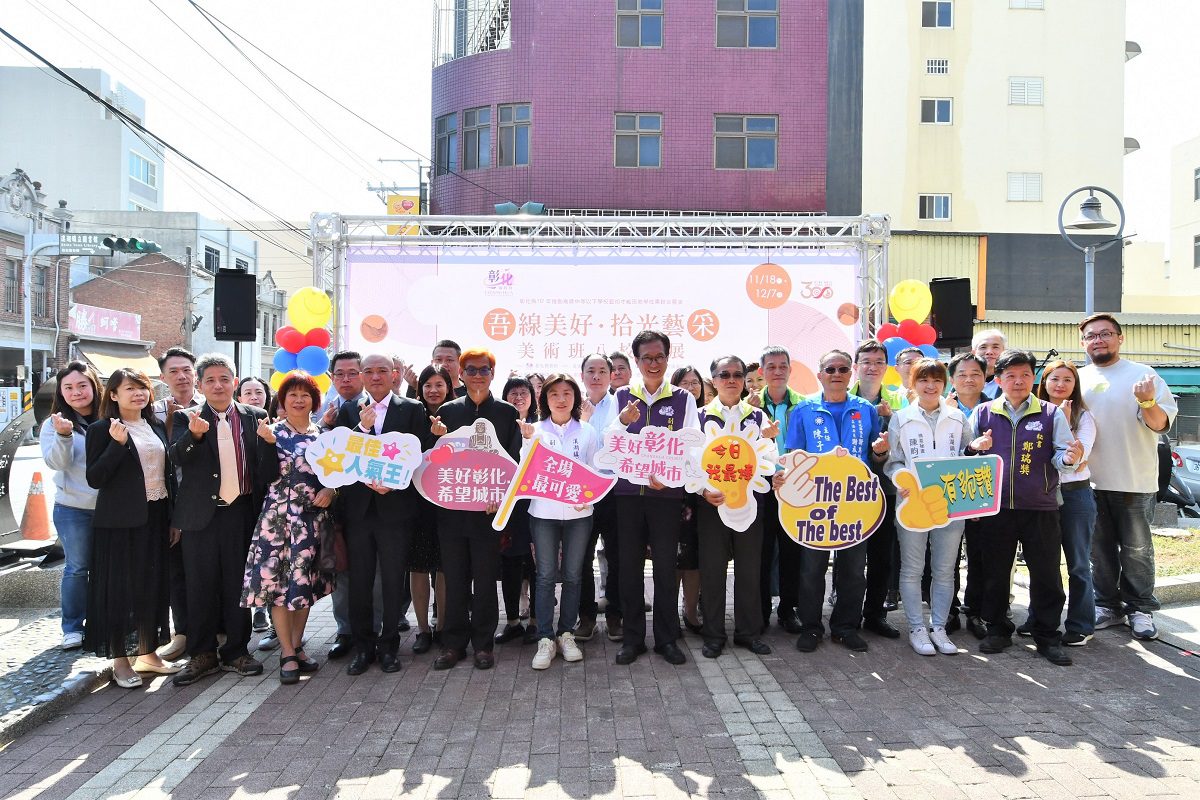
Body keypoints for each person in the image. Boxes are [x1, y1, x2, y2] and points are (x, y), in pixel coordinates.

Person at [967, 350, 1085, 666]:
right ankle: (998, 629)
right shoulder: (982, 413)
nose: (1018, 381)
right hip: (996, 508)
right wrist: (973, 448)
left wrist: (1070, 458)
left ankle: (1047, 635)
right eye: (1010, 375)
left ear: (1033, 378)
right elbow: (965, 459)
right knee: (994, 572)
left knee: (1046, 573)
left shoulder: (1050, 414)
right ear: (999, 379)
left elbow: (1062, 458)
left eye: (1024, 375)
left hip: (1041, 507)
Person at [169, 353, 268, 686]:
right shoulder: (186, 417)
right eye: (210, 380)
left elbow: (265, 466)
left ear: (235, 383)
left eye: (224, 378)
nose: (218, 385)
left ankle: (237, 651)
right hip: (201, 516)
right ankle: (202, 653)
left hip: (242, 511)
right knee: (200, 586)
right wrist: (193, 437)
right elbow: (176, 458)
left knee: (237, 584)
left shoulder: (256, 416)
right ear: (200, 385)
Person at [1078, 313, 1177, 640]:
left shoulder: (1143, 375)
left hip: (1134, 481)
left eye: (1106, 334)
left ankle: (1141, 609)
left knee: (1137, 550)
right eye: (1091, 336)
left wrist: (1147, 401)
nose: (1098, 340)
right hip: (1089, 482)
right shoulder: (1078, 378)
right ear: (1083, 343)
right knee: (1099, 550)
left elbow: (1160, 423)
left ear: (1120, 338)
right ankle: (1106, 605)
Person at [781, 350, 886, 653]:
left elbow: (877, 454)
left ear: (851, 373)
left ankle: (844, 627)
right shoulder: (804, 409)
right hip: (815, 504)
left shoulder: (865, 409)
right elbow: (793, 457)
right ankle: (811, 627)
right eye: (830, 369)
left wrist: (881, 450)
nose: (836, 374)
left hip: (855, 503)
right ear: (820, 374)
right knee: (811, 568)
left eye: (842, 369)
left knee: (854, 569)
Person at [334, 354, 430, 675]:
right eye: (369, 371)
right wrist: (361, 426)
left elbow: (419, 459)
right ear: (361, 376)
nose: (375, 377)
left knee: (392, 581)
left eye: (382, 371)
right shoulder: (348, 410)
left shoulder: (412, 409)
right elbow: (343, 456)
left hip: (395, 510)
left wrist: (394, 484)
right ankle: (363, 647)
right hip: (359, 511)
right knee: (360, 582)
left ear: (394, 375)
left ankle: (389, 646)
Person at [608, 330, 699, 666]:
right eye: (646, 357)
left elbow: (692, 444)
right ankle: (633, 639)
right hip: (628, 495)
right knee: (629, 568)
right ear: (636, 361)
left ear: (667, 357)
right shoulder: (620, 397)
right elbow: (607, 443)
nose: (653, 363)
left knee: (665, 568)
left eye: (659, 356)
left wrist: (673, 476)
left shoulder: (682, 398)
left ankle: (666, 638)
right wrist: (622, 422)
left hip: (667, 495)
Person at [430, 348, 521, 670]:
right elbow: (436, 464)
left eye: (484, 370)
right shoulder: (448, 412)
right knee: (454, 580)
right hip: (452, 512)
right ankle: (453, 644)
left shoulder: (508, 413)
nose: (478, 375)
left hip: (489, 513)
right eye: (471, 370)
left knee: (484, 581)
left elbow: (513, 463)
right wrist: (437, 441)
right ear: (461, 374)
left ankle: (484, 644)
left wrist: (502, 498)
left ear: (493, 374)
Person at [84, 368, 175, 687]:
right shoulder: (101, 429)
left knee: (151, 585)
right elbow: (95, 478)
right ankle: (121, 661)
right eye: (130, 389)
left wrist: (172, 518)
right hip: (119, 524)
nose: (138, 394)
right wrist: (116, 445)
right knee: (120, 590)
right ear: (113, 394)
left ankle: (148, 653)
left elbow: (166, 474)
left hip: (156, 514)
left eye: (143, 388)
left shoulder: (156, 425)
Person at [243, 371, 334, 684]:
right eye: (292, 394)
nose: (298, 400)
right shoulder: (271, 432)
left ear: (314, 400)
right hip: (278, 522)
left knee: (304, 585)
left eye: (305, 395)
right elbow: (265, 476)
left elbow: (335, 476)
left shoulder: (323, 434)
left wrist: (332, 491)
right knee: (280, 588)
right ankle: (286, 652)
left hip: (312, 520)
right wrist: (267, 444)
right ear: (282, 400)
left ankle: (297, 644)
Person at [884, 358, 971, 656]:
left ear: (945, 383)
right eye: (923, 380)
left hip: (949, 506)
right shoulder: (901, 418)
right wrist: (899, 478)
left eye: (936, 379)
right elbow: (893, 460)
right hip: (911, 506)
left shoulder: (958, 418)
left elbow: (966, 457)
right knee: (911, 569)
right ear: (913, 383)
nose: (930, 385)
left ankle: (939, 628)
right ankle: (917, 629)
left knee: (945, 570)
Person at [696, 355, 776, 658]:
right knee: (712, 570)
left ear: (745, 380)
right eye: (724, 374)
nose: (731, 380)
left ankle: (747, 632)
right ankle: (713, 634)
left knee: (749, 569)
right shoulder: (699, 416)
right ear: (713, 380)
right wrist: (703, 489)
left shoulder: (758, 417)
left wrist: (776, 473)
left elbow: (769, 459)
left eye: (737, 374)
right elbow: (689, 462)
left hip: (750, 503)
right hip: (712, 504)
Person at [521, 374, 602, 669]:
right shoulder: (535, 430)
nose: (561, 399)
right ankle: (545, 637)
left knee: (573, 575)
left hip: (580, 514)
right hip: (543, 513)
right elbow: (525, 472)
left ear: (575, 398)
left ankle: (565, 633)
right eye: (554, 393)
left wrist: (588, 495)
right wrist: (527, 442)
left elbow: (595, 470)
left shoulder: (588, 432)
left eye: (567, 393)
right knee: (544, 576)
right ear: (545, 399)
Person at [312, 350, 383, 660]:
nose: (346, 379)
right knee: (341, 569)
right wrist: (325, 429)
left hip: (375, 505)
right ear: (331, 377)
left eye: (352, 373)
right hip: (339, 508)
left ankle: (375, 628)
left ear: (363, 375)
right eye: (339, 374)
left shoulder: (377, 408)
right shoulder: (326, 414)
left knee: (376, 573)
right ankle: (345, 630)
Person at [1036, 359, 1098, 646]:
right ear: (1044, 383)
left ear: (1075, 386)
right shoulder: (1034, 412)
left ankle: (1081, 624)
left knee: (1078, 563)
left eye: (1067, 380)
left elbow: (1076, 457)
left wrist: (1063, 421)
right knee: (1043, 563)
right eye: (1054, 379)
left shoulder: (1083, 416)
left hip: (1075, 495)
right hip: (1043, 495)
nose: (1060, 385)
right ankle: (1038, 617)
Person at [41, 361, 102, 650]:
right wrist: (64, 435)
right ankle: (73, 627)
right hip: (73, 509)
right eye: (69, 387)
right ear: (61, 392)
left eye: (82, 385)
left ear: (94, 387)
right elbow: (56, 463)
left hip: (112, 508)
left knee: (110, 568)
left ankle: (104, 621)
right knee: (77, 568)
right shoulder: (53, 424)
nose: (77, 392)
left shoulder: (110, 417)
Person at [850, 340, 906, 641]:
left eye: (878, 361)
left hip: (885, 490)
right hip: (849, 492)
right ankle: (846, 611)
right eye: (866, 361)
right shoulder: (842, 399)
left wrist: (887, 418)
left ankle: (875, 614)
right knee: (849, 556)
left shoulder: (900, 402)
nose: (872, 366)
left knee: (882, 557)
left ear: (886, 367)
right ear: (856, 366)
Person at [151, 346, 202, 662]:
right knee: (177, 573)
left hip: (205, 503)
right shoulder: (153, 411)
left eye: (187, 370)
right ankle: (182, 633)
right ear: (163, 376)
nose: (182, 376)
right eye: (174, 371)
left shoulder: (211, 404)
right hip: (168, 503)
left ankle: (218, 631)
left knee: (210, 569)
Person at [755, 345, 804, 635]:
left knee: (791, 552)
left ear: (789, 369)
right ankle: (760, 611)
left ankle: (788, 610)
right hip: (761, 488)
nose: (777, 371)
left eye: (782, 366)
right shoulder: (750, 406)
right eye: (770, 366)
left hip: (795, 488)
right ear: (761, 372)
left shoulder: (804, 404)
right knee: (760, 552)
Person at [947, 352, 990, 639]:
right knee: (945, 556)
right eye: (962, 374)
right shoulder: (940, 407)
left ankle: (976, 610)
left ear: (985, 377)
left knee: (979, 554)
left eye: (975, 373)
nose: (969, 379)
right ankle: (948, 608)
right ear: (952, 379)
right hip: (947, 489)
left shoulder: (994, 408)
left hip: (980, 491)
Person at [409, 365, 452, 655]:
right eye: (428, 385)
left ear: (449, 386)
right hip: (415, 501)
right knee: (418, 566)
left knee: (444, 566)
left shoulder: (458, 414)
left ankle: (444, 627)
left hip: (449, 500)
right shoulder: (411, 413)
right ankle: (423, 629)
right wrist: (431, 438)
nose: (433, 390)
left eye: (439, 384)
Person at [496, 376, 539, 644]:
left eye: (524, 393)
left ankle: (536, 620)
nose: (519, 397)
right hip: (507, 504)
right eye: (513, 393)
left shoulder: (541, 427)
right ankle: (512, 621)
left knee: (536, 564)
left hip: (535, 504)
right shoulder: (499, 426)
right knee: (509, 562)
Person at [578, 353, 618, 642]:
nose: (596, 376)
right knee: (581, 558)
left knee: (617, 555)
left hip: (616, 490)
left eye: (602, 370)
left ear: (611, 375)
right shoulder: (571, 404)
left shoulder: (623, 405)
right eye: (590, 370)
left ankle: (616, 616)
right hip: (583, 490)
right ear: (582, 376)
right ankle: (586, 617)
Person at [237, 376, 274, 635]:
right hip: (241, 503)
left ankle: (265, 613)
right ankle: (256, 610)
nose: (253, 396)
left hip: (269, 506)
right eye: (247, 392)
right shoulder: (239, 421)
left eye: (258, 392)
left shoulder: (276, 425)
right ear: (239, 396)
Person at [669, 365, 705, 636]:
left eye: (695, 383)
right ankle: (669, 613)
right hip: (671, 494)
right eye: (685, 383)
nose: (691, 388)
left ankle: (690, 610)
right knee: (672, 557)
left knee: (695, 558)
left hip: (702, 497)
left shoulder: (709, 417)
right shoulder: (667, 414)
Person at [972, 329, 1007, 400]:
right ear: (973, 353)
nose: (989, 352)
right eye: (983, 347)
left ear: (1004, 352)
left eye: (995, 347)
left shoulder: (1010, 382)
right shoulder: (962, 382)